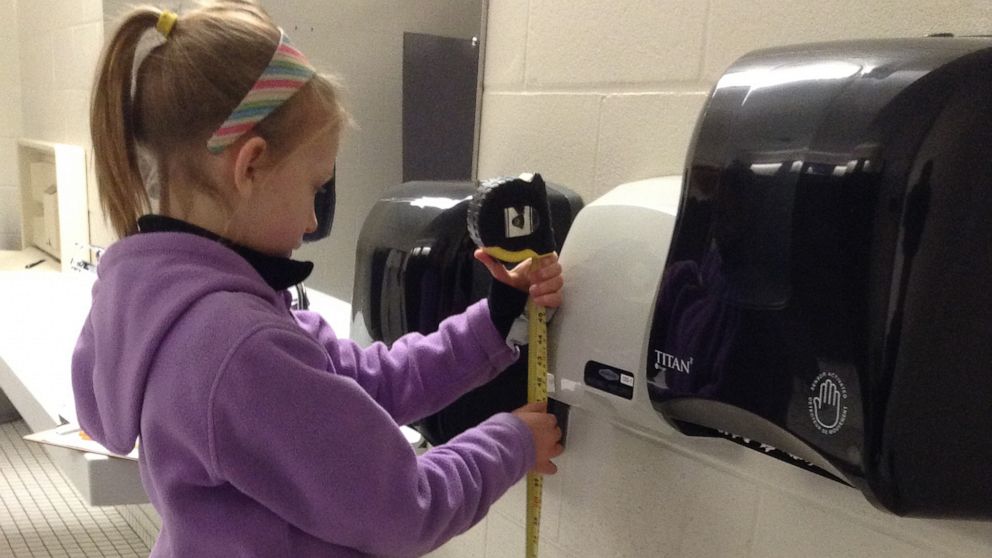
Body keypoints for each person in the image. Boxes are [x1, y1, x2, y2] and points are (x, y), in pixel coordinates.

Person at [71, 2, 564, 556]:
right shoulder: (240, 346)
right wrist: (511, 442)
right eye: (314, 185)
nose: (311, 221)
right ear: (250, 164)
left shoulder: (159, 302)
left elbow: (367, 383)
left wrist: (494, 320)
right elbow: (403, 508)